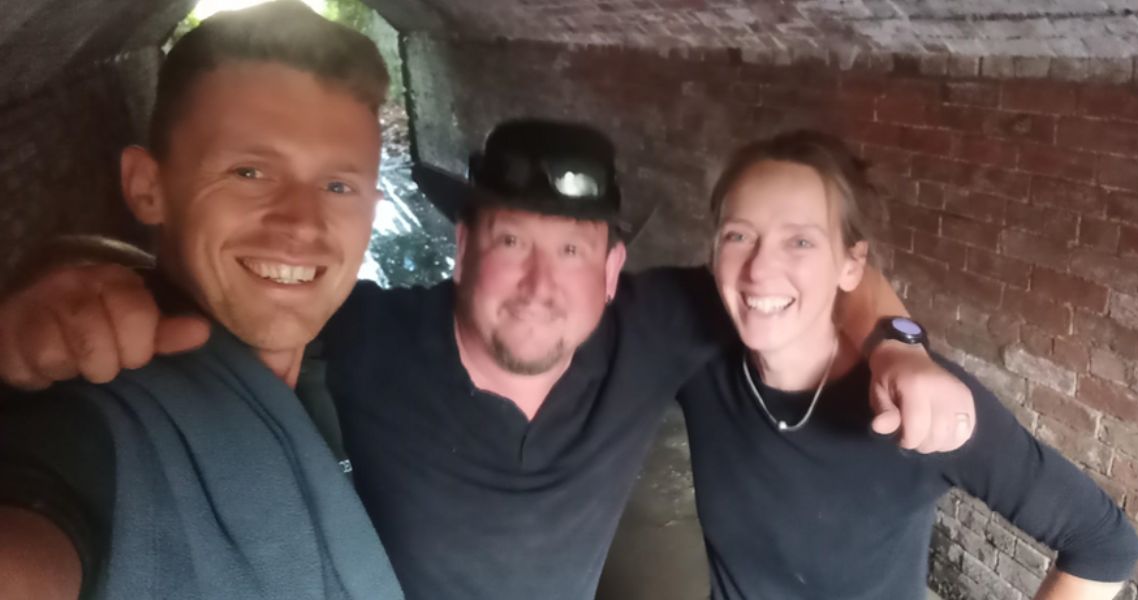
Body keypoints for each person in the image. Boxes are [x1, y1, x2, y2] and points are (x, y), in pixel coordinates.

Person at [0, 120, 978, 597]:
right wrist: (80, 270)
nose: (540, 282)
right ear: (462, 248)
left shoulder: (659, 322)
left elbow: (825, 269)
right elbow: (197, 304)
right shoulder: (370, 333)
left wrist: (899, 345)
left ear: (613, 269)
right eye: (511, 242)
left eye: (572, 249)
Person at [0, 3, 404, 598]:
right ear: (147, 188)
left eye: (338, 186)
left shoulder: (366, 352)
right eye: (250, 172)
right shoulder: (101, 423)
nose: (301, 225)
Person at [678, 130, 1138, 600]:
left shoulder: (919, 402)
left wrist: (900, 345)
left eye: (800, 242)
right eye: (739, 235)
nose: (759, 268)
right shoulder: (696, 355)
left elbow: (1102, 544)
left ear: (851, 264)